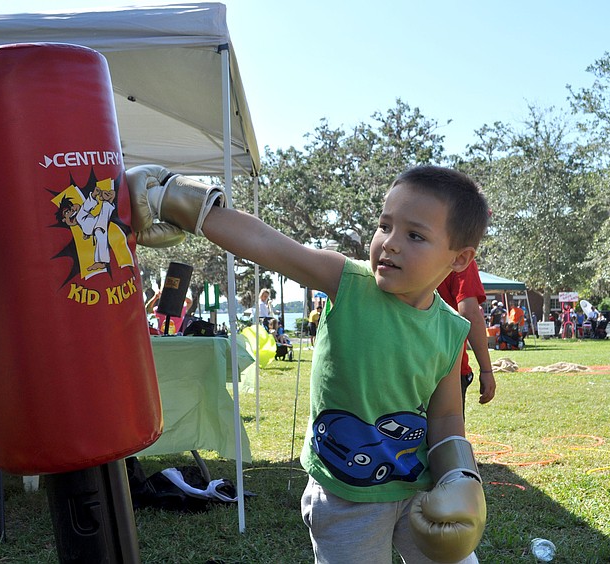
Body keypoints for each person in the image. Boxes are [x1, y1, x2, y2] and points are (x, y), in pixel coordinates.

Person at [128, 163, 490, 563]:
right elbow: (267, 243)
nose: (389, 243)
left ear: (460, 259)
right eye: (385, 225)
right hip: (344, 494)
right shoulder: (347, 282)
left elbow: (444, 419)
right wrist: (179, 199)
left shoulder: (452, 329)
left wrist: (460, 476)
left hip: (419, 485)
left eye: (415, 235)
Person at [437, 261, 496, 416]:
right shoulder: (459, 257)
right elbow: (469, 312)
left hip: (395, 364)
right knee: (445, 435)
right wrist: (486, 370)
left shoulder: (397, 251)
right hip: (447, 368)